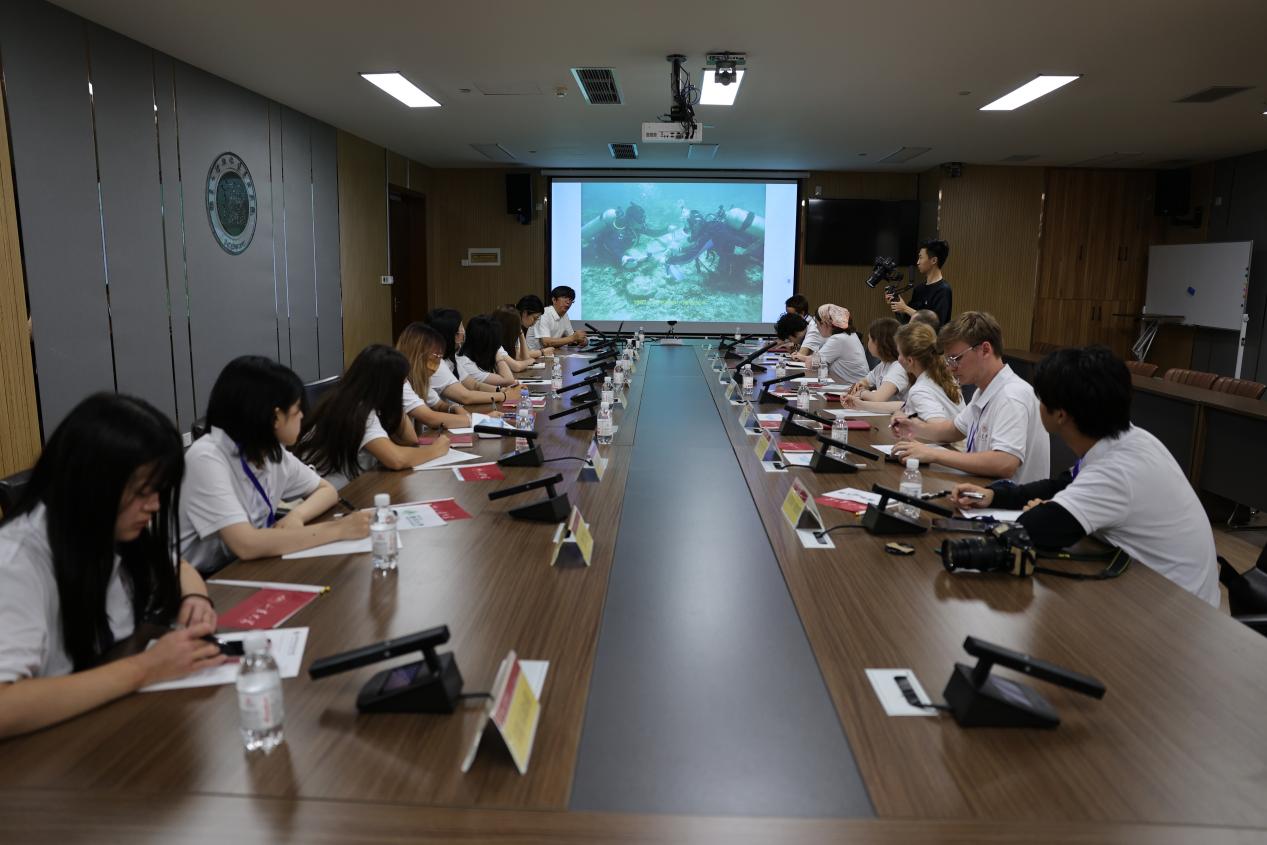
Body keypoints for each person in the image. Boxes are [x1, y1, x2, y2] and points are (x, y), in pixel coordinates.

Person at [0, 394, 226, 738]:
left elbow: (178, 568)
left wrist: (195, 599)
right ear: (93, 483)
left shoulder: (106, 527)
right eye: (142, 492)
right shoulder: (16, 562)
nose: (154, 505)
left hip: (103, 726)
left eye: (159, 490)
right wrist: (146, 668)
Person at [952, 346, 1219, 606]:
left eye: (1040, 398)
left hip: (1177, 610)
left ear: (1060, 414)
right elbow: (1060, 485)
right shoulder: (1130, 439)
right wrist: (994, 495)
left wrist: (1045, 511)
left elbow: (1037, 530)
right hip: (1154, 587)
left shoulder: (1117, 469)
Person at [180, 356, 371, 573]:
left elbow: (326, 490)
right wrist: (339, 529)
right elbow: (246, 545)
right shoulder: (206, 457)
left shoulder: (270, 452)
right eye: (297, 408)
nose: (302, 415)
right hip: (200, 578)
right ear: (276, 417)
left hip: (247, 566)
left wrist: (297, 516)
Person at [891, 311, 1049, 482]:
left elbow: (1004, 463)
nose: (950, 368)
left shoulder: (1011, 395)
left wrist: (934, 454)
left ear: (985, 350)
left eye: (956, 358)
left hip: (1010, 497)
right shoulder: (983, 391)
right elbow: (952, 430)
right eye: (948, 360)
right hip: (982, 489)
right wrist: (913, 427)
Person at [295, 345, 452, 485]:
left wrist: (395, 402)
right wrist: (436, 450)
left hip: (348, 484)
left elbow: (409, 439)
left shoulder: (361, 400)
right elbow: (396, 459)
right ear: (387, 385)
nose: (405, 385)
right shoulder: (355, 409)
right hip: (329, 490)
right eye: (402, 381)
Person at [844, 322, 965, 420]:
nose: (898, 358)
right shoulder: (940, 375)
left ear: (910, 361)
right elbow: (904, 405)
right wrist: (860, 404)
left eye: (899, 353)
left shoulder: (921, 388)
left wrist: (910, 426)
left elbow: (938, 427)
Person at [426, 308, 521, 408]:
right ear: (454, 335)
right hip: (449, 416)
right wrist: (504, 396)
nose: (463, 331)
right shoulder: (434, 364)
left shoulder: (450, 359)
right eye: (461, 327)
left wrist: (501, 390)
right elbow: (465, 397)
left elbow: (474, 385)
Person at [395, 322, 472, 430]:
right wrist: (474, 420)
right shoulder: (399, 382)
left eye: (440, 357)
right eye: (436, 356)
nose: (438, 363)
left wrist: (453, 408)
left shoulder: (419, 379)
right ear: (417, 354)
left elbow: (439, 405)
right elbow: (431, 418)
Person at [797, 304, 869, 385]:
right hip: (853, 384)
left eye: (817, 324)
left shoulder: (838, 339)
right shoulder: (849, 335)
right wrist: (805, 358)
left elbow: (813, 364)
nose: (816, 328)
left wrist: (802, 357)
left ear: (825, 323)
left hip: (851, 387)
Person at [888, 239, 952, 328]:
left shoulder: (943, 290)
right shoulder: (919, 289)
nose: (918, 262)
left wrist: (905, 308)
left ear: (934, 260)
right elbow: (906, 320)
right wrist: (896, 302)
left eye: (921, 257)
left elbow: (938, 324)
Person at [848, 318, 909, 402]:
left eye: (869, 339)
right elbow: (865, 381)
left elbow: (878, 398)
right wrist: (861, 384)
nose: (868, 343)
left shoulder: (899, 367)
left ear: (879, 343)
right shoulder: (883, 365)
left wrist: (862, 393)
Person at [456, 315, 519, 388]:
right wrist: (497, 355)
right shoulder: (466, 363)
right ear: (487, 343)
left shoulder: (478, 356)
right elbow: (509, 380)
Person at [492, 306, 537, 373]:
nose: (518, 328)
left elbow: (524, 358)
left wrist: (521, 334)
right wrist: (529, 361)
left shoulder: (505, 340)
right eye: (517, 326)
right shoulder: (494, 342)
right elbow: (517, 367)